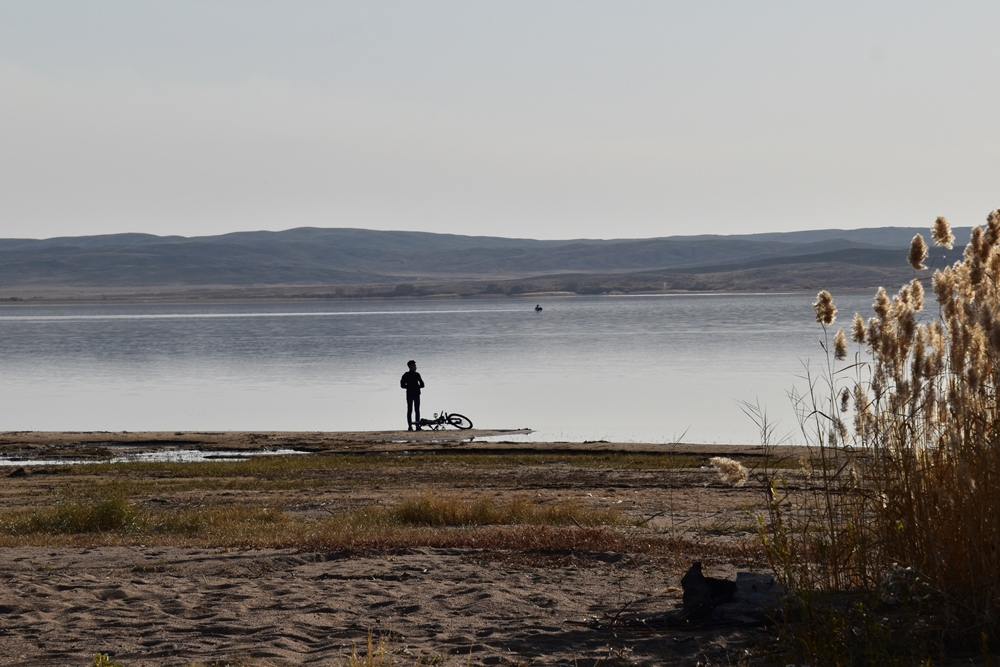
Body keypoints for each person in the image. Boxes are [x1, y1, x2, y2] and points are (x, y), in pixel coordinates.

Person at [399, 360, 425, 431]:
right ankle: (410, 426)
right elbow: (402, 385)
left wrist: (415, 387)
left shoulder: (416, 375)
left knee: (415, 410)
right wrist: (411, 386)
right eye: (414, 366)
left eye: (415, 366)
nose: (416, 367)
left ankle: (417, 426)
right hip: (411, 394)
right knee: (411, 410)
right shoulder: (407, 375)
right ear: (410, 367)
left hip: (415, 393)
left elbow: (422, 384)